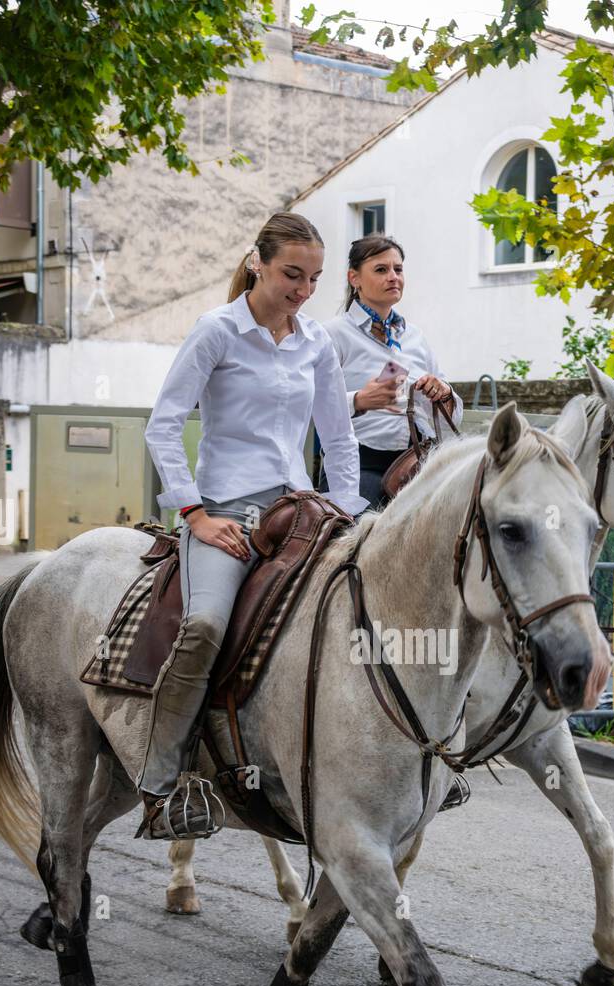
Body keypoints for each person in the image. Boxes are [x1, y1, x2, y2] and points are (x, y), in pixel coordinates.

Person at [137, 211, 368, 840]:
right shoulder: (217, 330)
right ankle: (160, 785)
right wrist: (194, 513)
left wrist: (345, 504)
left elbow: (339, 438)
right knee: (206, 624)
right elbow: (163, 424)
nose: (302, 289)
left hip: (301, 507)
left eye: (315, 279)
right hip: (227, 508)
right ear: (257, 262)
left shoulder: (316, 341)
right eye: (292, 274)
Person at [321, 235, 464, 508]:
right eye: (381, 270)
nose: (393, 277)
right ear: (355, 278)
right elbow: (309, 404)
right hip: (360, 463)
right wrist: (359, 400)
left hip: (418, 463)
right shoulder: (332, 334)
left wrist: (443, 393)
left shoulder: (415, 337)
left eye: (398, 269)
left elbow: (450, 421)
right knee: (357, 537)